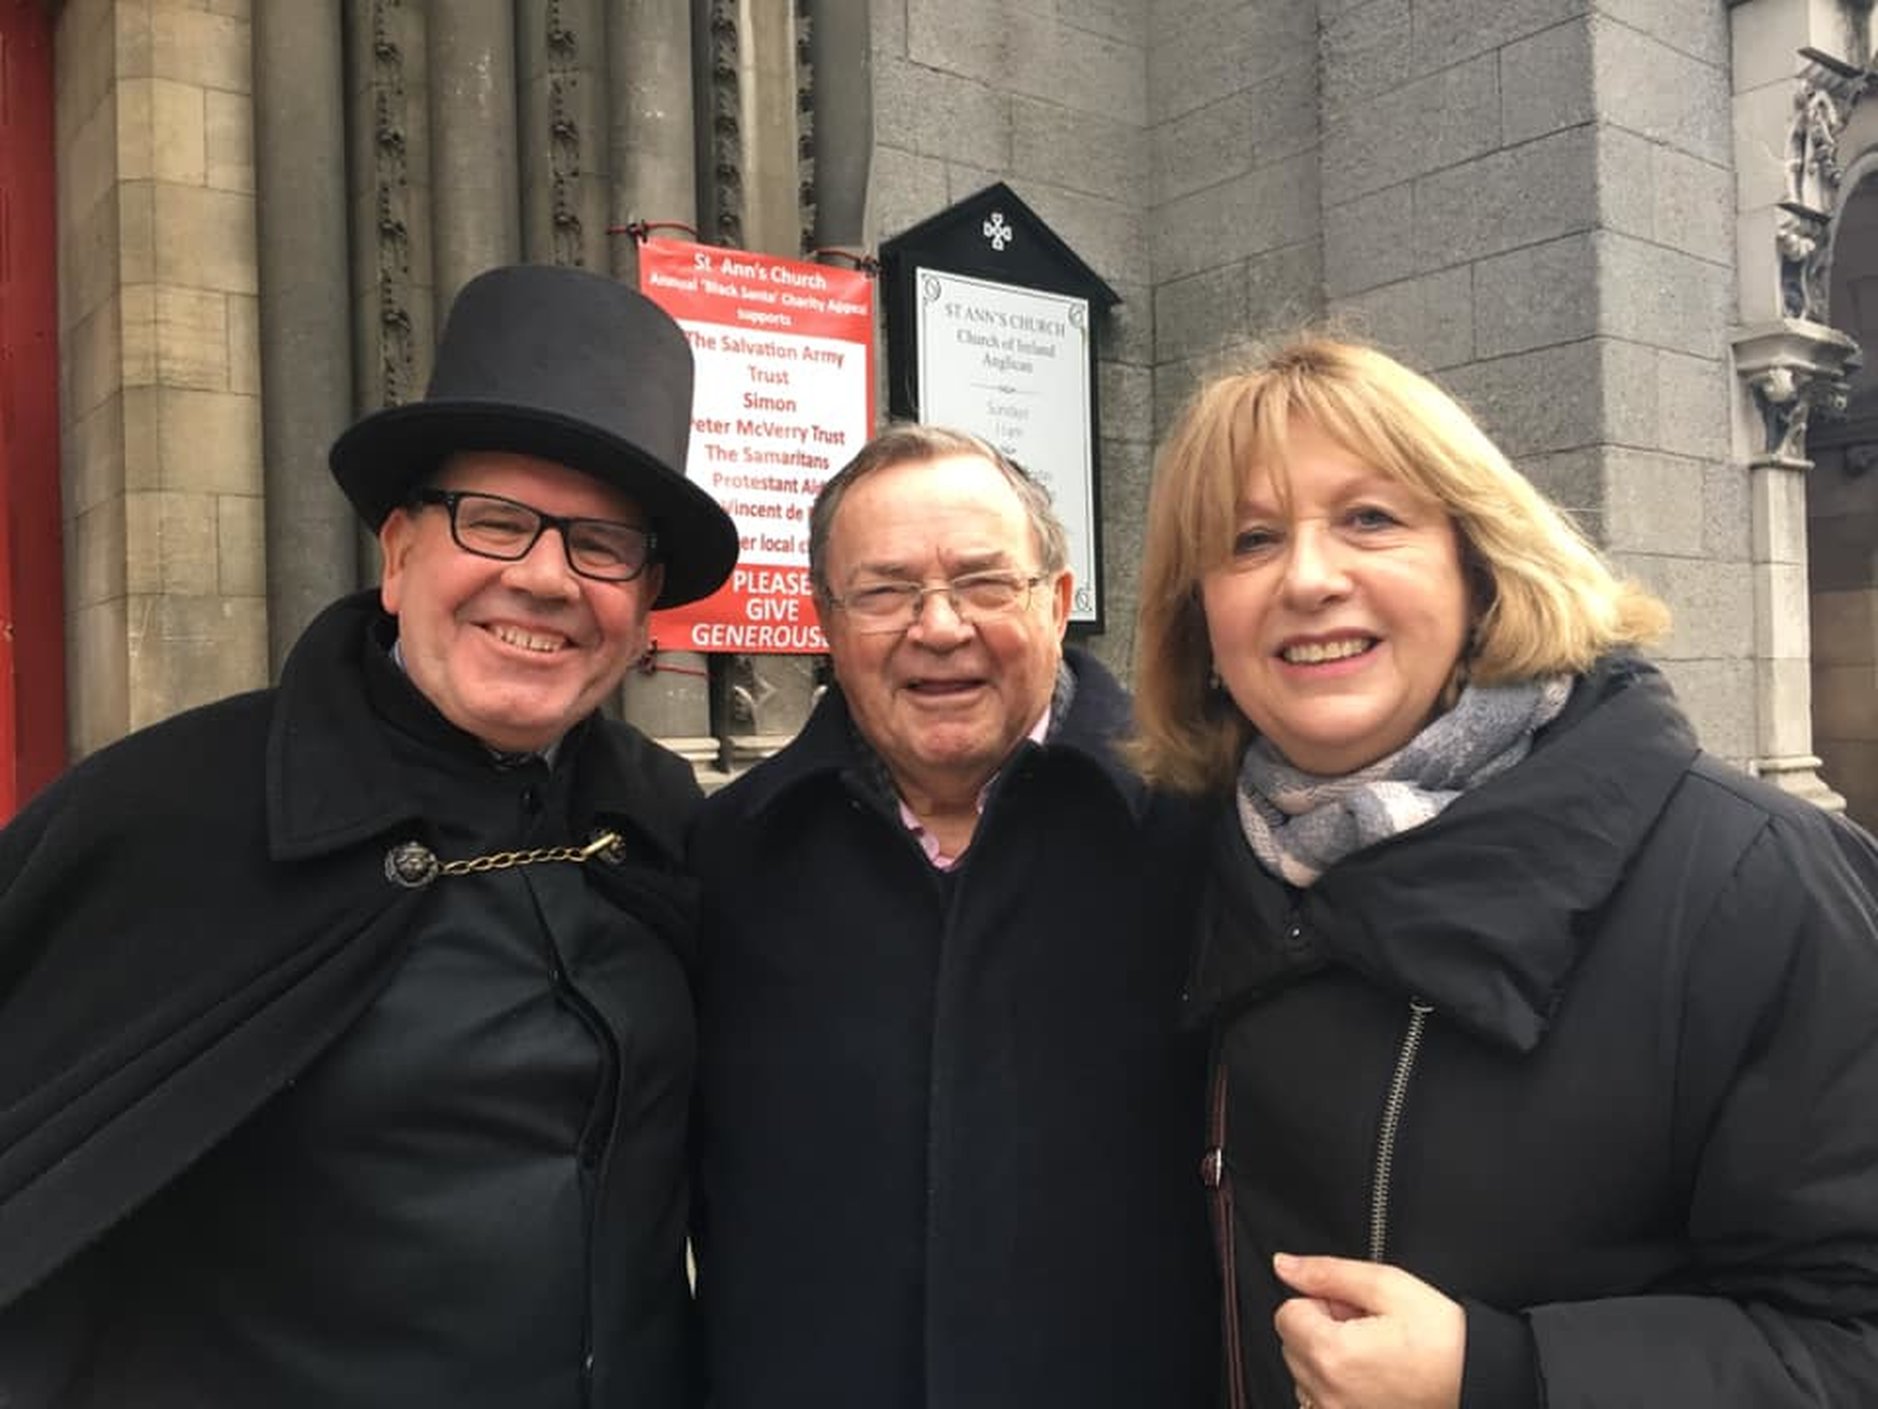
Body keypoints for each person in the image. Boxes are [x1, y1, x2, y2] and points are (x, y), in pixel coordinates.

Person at [0, 264, 739, 1408]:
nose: (545, 577)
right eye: (494, 520)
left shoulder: (669, 827)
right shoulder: (164, 815)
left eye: (602, 545)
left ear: (641, 608)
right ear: (398, 554)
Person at [1129, 334, 1878, 1408]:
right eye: (1249, 539)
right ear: (1200, 621)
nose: (1306, 576)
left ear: (1480, 569)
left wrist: (1505, 1375)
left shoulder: (1754, 879)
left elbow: (1852, 1339)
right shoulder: (1196, 864)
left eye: (1369, 518)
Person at [688, 424, 1218, 1408]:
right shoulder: (728, 859)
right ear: (827, 623)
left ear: (1058, 604)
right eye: (885, 591)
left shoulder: (1199, 836)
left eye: (985, 583)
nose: (939, 626)